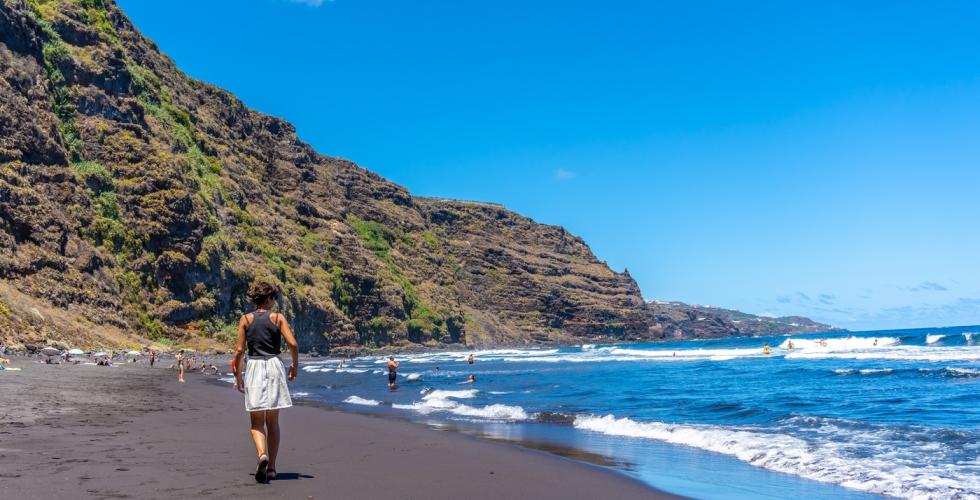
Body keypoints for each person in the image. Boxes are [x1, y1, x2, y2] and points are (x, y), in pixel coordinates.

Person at [234, 281, 298, 484]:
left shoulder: (245, 319)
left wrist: (237, 375)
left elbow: (239, 351)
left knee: (256, 422)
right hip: (273, 366)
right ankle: (271, 469)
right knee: (273, 422)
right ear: (269, 299)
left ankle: (262, 454)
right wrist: (294, 365)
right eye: (274, 298)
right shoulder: (278, 318)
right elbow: (293, 344)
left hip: (253, 366)